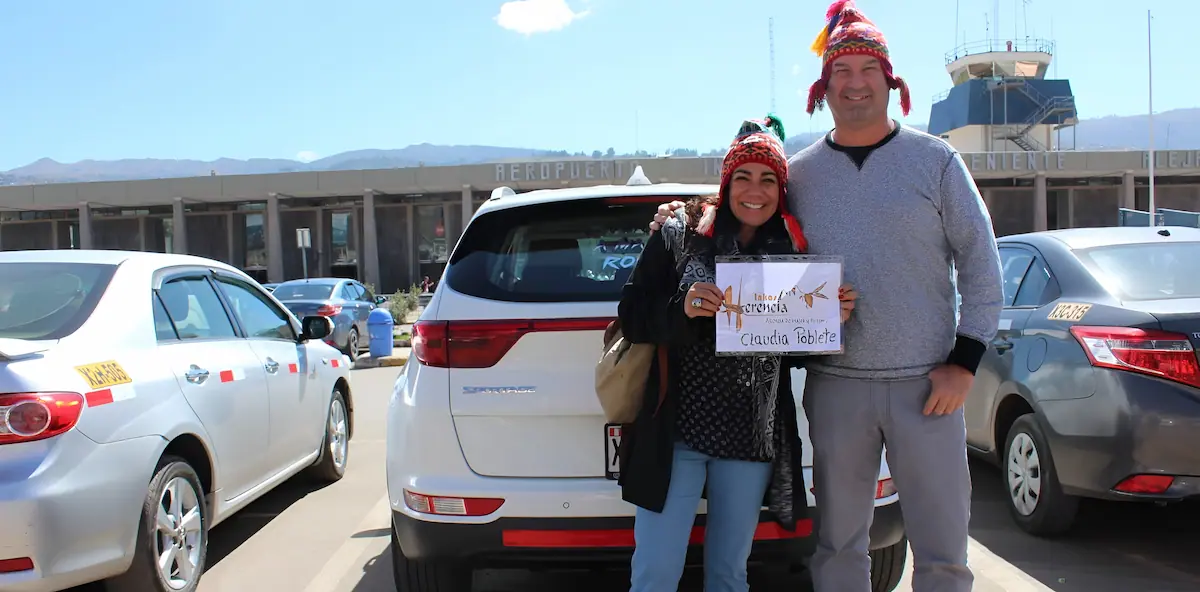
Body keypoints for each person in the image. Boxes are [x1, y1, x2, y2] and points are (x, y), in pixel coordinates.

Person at [648, 2, 1005, 591]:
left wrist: (964, 363)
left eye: (869, 69)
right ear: (824, 85)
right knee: (839, 547)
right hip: (837, 388)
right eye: (843, 70)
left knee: (943, 551)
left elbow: (982, 267)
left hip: (929, 387)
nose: (856, 82)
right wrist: (678, 215)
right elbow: (746, 218)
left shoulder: (938, 162)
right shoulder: (801, 174)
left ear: (891, 81)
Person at [617, 115, 859, 592]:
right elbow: (632, 314)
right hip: (677, 435)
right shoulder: (680, 234)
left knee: (730, 574)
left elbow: (791, 353)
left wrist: (827, 319)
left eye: (769, 179)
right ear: (727, 183)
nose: (756, 190)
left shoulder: (792, 253)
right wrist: (682, 309)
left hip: (749, 439)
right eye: (744, 176)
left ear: (781, 189)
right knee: (655, 574)